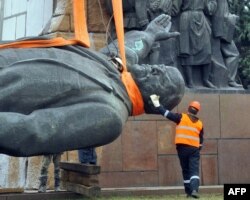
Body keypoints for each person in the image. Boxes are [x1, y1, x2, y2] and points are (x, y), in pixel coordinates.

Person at [0, 14, 185, 157]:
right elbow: (128, 50)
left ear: (155, 100)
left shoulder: (110, 114)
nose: (153, 68)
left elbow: (34, 130)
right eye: (159, 67)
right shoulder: (115, 69)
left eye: (160, 76)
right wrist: (149, 34)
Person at [150, 94, 204, 198]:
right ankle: (194, 190)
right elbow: (201, 139)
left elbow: (167, 114)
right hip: (194, 150)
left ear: (188, 108)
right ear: (197, 111)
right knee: (194, 170)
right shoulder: (200, 124)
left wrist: (156, 103)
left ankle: (188, 192)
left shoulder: (181, 117)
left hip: (182, 149)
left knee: (186, 170)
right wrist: (198, 148)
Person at [172, 0, 217, 88]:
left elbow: (209, 9)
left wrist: (212, 3)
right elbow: (175, 9)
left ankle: (205, 80)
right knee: (187, 51)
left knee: (207, 51)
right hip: (187, 19)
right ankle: (189, 81)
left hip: (201, 18)